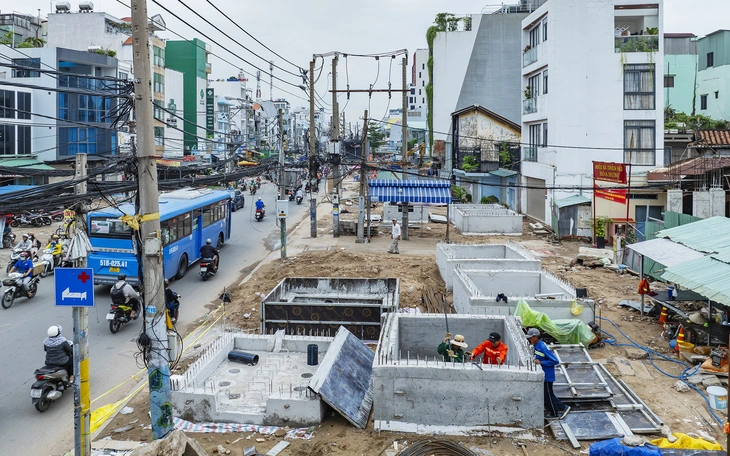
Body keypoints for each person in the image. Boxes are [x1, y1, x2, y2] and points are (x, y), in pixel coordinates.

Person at [526, 328, 570, 420]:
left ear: (535, 337)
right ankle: (563, 407)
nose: (529, 340)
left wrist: (541, 363)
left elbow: (555, 360)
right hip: (544, 374)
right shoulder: (537, 346)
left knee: (548, 395)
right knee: (549, 394)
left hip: (547, 375)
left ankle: (554, 413)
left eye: (530, 338)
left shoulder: (542, 347)